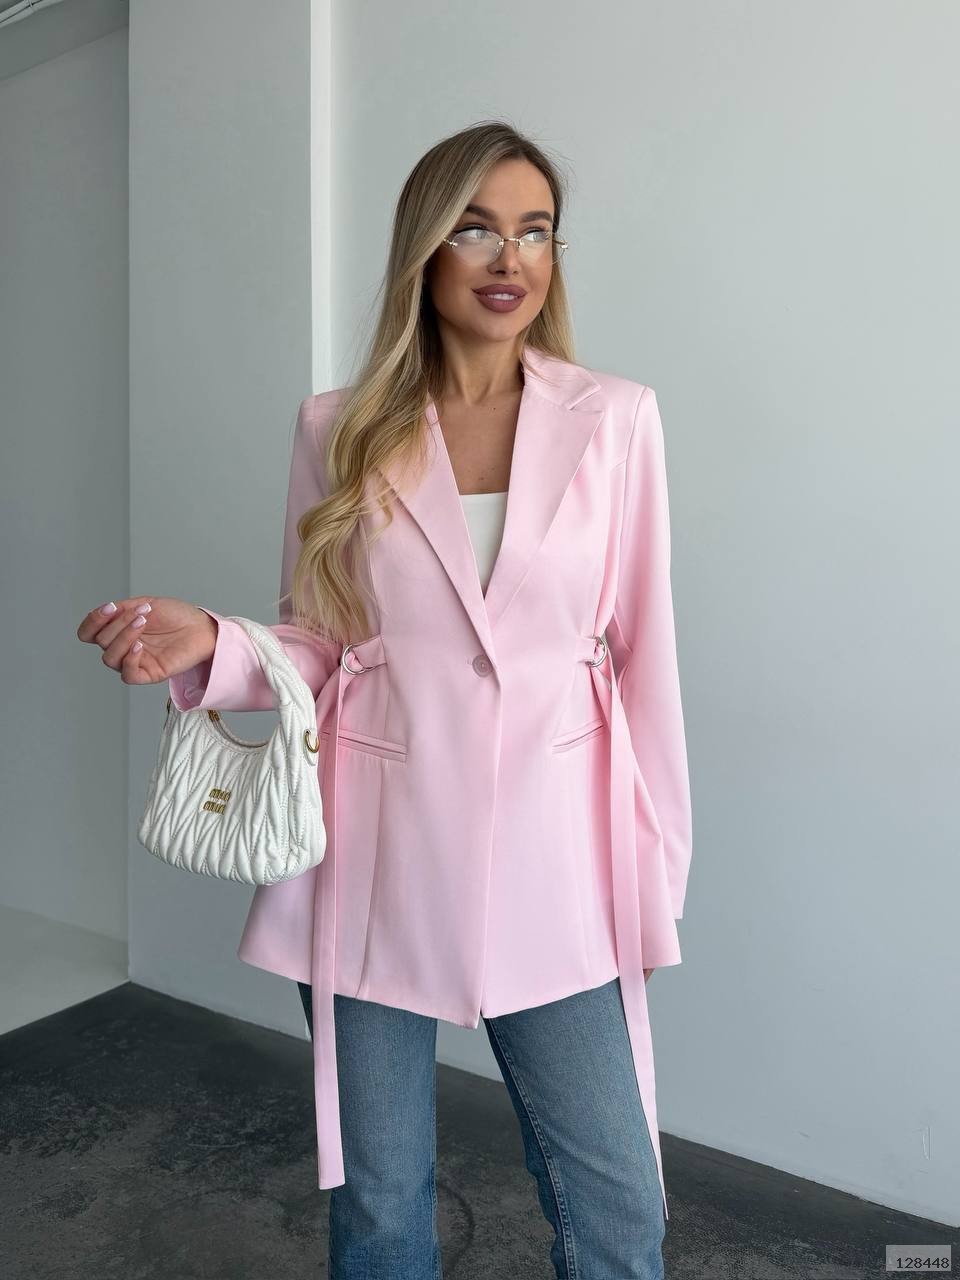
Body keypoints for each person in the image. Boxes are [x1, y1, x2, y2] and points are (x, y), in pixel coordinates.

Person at [76, 119, 692, 1280]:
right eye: (475, 229)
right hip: (372, 855)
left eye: (535, 231)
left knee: (620, 1206)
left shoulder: (616, 419)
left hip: (561, 861)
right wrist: (217, 643)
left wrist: (655, 878)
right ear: (425, 247)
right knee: (380, 1210)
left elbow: (645, 659)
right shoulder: (339, 425)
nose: (509, 259)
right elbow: (322, 643)